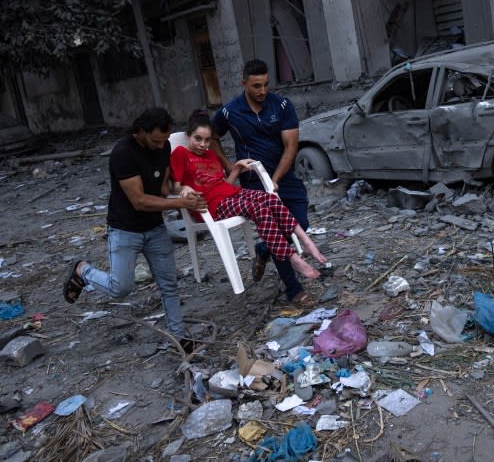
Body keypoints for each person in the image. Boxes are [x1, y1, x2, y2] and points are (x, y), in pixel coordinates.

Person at [62, 108, 206, 352]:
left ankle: (178, 338)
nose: (161, 145)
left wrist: (184, 191)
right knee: (120, 288)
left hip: (154, 227)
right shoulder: (123, 153)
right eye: (156, 140)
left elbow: (162, 189)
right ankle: (82, 270)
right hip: (125, 229)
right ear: (141, 132)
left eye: (165, 139)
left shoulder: (163, 147)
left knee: (169, 285)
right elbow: (139, 200)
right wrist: (180, 203)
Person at [211, 59, 318, 307]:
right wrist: (231, 167)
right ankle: (294, 289)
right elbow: (213, 138)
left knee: (300, 224)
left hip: (283, 178)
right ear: (244, 83)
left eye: (266, 85)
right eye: (256, 86)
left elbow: (291, 145)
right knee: (279, 231)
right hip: (253, 184)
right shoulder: (229, 112)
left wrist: (276, 180)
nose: (262, 91)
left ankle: (264, 250)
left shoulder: (281, 105)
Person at [170, 111, 325, 281]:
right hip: (211, 205)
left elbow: (224, 185)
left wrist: (236, 168)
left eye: (207, 140)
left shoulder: (211, 155)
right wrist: (184, 188)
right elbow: (176, 186)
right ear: (188, 135)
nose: (203, 144)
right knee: (258, 209)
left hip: (230, 195)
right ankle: (292, 257)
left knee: (270, 198)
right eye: (198, 139)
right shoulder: (180, 153)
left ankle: (306, 241)